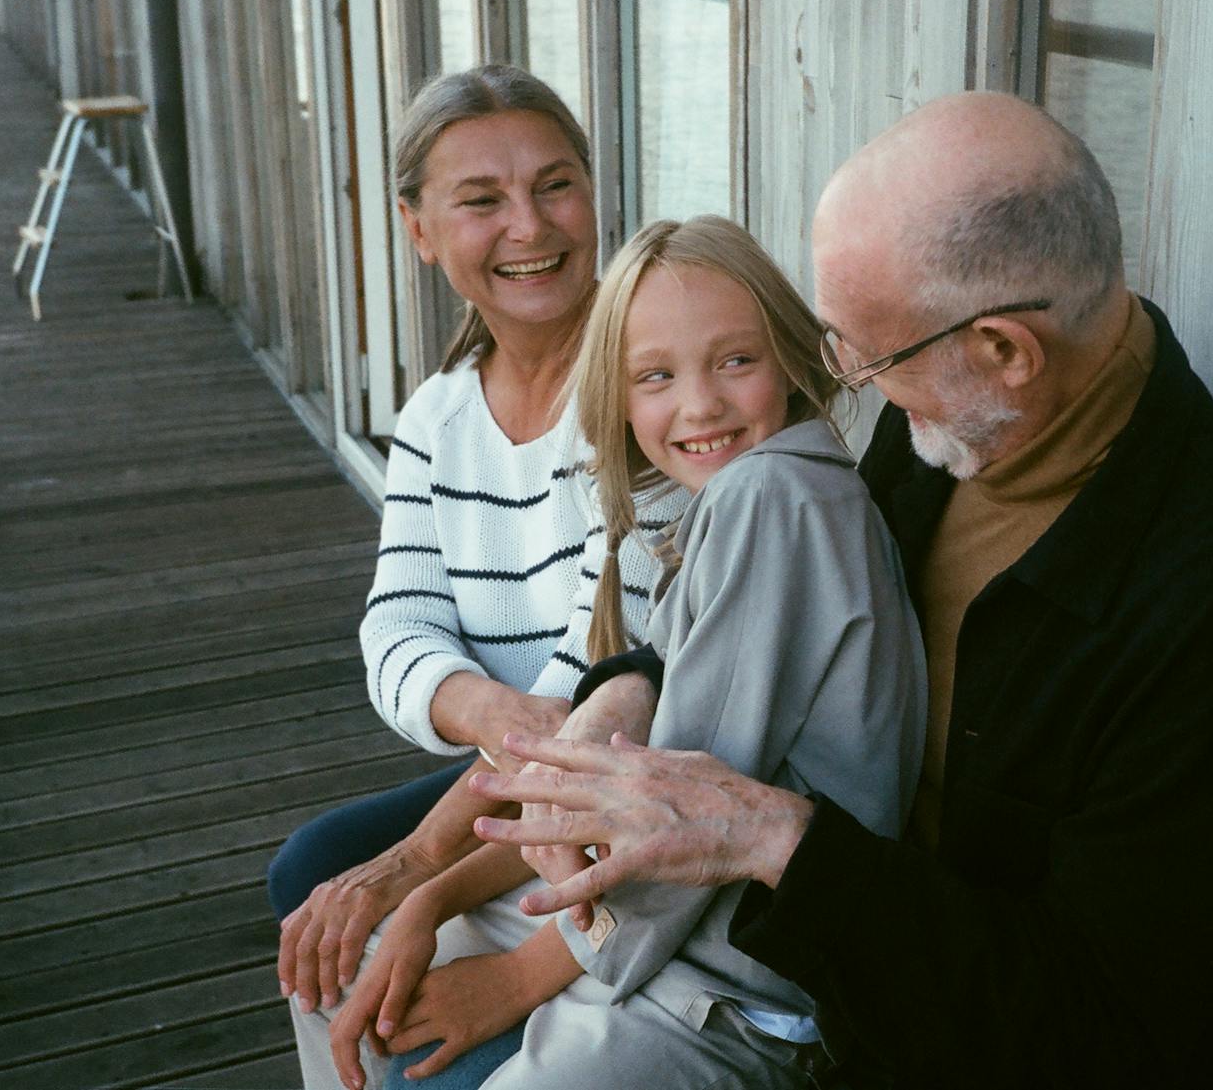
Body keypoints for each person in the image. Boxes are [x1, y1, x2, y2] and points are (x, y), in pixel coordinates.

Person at [472, 92, 1213, 1088]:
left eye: (866, 351)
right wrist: (629, 685)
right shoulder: (953, 426)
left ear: (1003, 351)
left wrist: (779, 842)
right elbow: (787, 627)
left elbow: (1106, 1033)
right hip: (805, 968)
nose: (844, 379)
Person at [293, 216, 927, 1090]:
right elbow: (607, 787)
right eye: (656, 376)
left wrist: (510, 983)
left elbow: (676, 832)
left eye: (736, 360)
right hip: (642, 929)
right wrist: (431, 894)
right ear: (619, 401)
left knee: (383, 1001)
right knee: (346, 966)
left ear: (791, 355)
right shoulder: (728, 501)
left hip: (725, 987)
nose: (699, 403)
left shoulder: (775, 500)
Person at [268, 64, 679, 1074]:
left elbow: (593, 683)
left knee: (366, 898)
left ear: (595, 194)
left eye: (555, 184)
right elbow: (396, 629)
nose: (530, 227)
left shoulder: (655, 392)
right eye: (482, 201)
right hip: (520, 768)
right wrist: (491, 714)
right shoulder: (439, 413)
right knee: (312, 872)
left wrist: (416, 865)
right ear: (420, 230)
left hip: (636, 771)